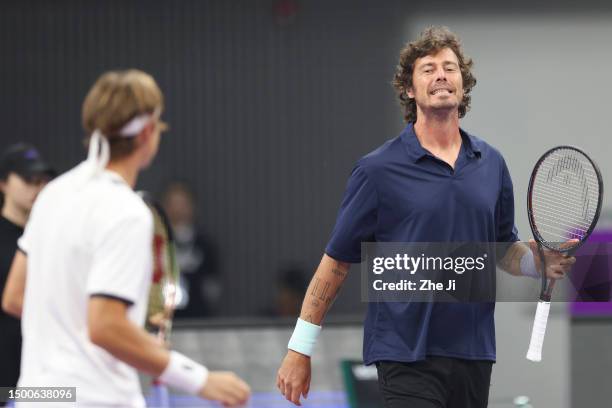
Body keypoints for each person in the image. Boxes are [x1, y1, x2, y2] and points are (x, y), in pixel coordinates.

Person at [276, 27, 574, 408]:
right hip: (404, 354)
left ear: (463, 85)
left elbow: (502, 249)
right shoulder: (377, 170)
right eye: (428, 68)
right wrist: (299, 349)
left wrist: (537, 263)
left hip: (473, 352)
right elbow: (336, 263)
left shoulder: (492, 164)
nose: (441, 76)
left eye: (450, 68)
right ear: (409, 89)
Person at [2, 70, 250, 407]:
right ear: (148, 133)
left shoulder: (52, 194)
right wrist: (199, 379)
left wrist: (132, 341)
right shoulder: (126, 212)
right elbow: (104, 325)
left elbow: (16, 297)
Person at [0, 144, 53, 401]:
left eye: (42, 180)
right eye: (27, 179)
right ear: (3, 183)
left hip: (42, 375)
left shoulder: (52, 237)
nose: (36, 186)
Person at [161, 181, 221, 318]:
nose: (178, 210)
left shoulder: (205, 245)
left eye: (182, 204)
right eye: (173, 204)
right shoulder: (157, 243)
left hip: (197, 317)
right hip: (164, 317)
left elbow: (212, 287)